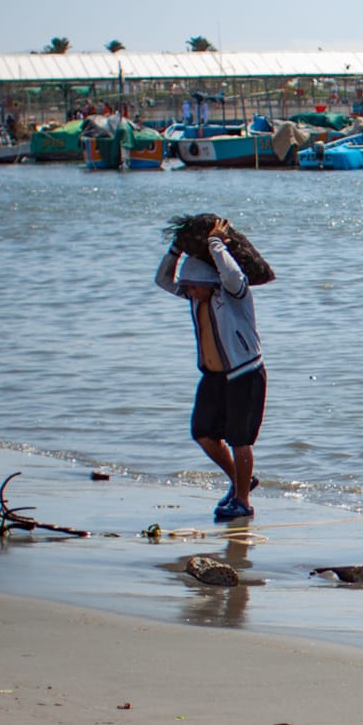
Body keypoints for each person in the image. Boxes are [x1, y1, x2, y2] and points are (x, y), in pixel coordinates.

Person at [156, 217, 266, 521]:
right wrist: (175, 250)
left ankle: (242, 502)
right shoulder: (195, 297)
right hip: (214, 376)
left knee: (240, 440)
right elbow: (163, 280)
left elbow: (230, 272)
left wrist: (216, 243)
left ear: (208, 283)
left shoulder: (232, 294)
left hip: (244, 373)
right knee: (202, 432)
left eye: (192, 286)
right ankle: (239, 481)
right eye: (187, 287)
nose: (187, 291)